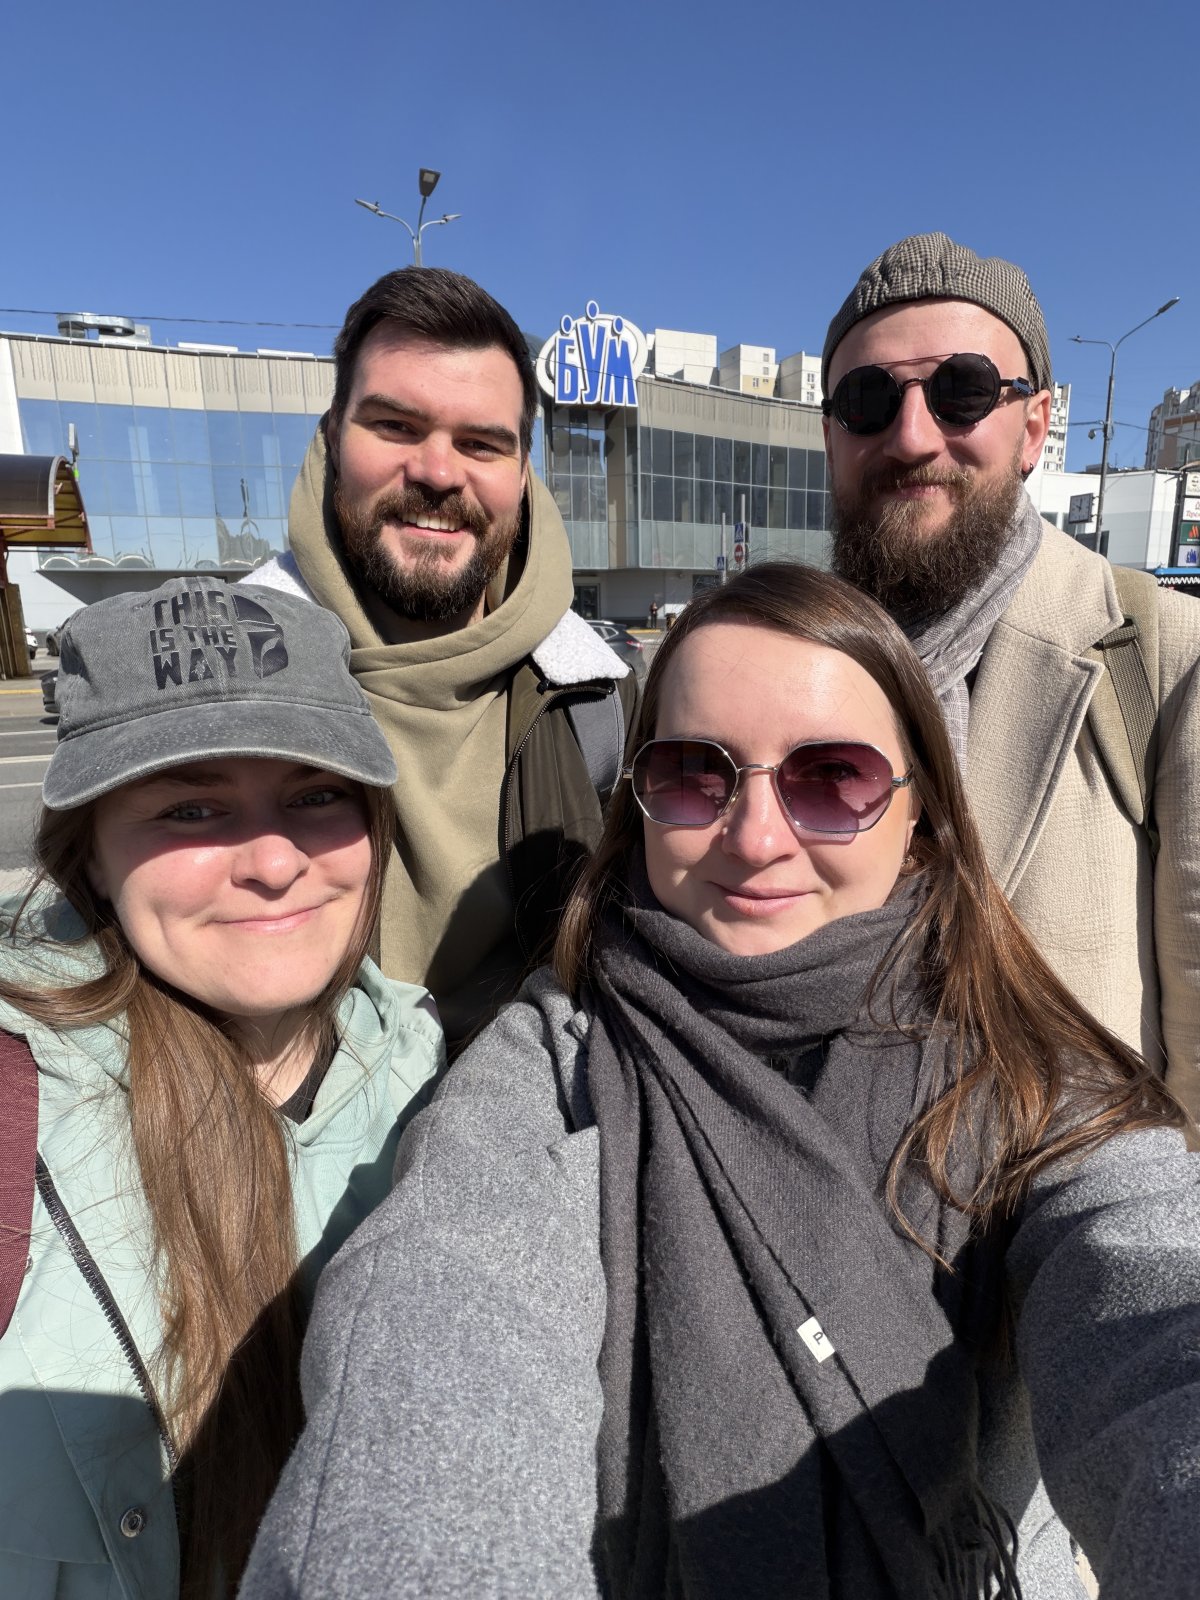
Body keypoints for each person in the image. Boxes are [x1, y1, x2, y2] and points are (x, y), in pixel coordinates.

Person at [240, 563, 1199, 1600]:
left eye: (831, 778)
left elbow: (1151, 1309)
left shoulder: (1031, 1075)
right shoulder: (551, 1071)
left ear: (918, 808)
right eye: (696, 774)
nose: (755, 837)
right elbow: (443, 1330)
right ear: (639, 800)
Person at [0, 577, 445, 1600]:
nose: (275, 862)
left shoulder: (438, 1082)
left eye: (317, 794)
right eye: (191, 808)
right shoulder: (19, 1105)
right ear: (91, 857)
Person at [819, 230, 1200, 1122]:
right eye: (868, 400)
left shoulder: (1163, 655)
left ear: (1034, 428)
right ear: (830, 436)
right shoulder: (782, 667)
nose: (913, 437)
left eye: (962, 392)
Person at [251, 267, 637, 1052]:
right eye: (395, 426)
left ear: (521, 475)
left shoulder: (600, 700)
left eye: (481, 443)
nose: (436, 471)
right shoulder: (225, 684)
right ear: (332, 439)